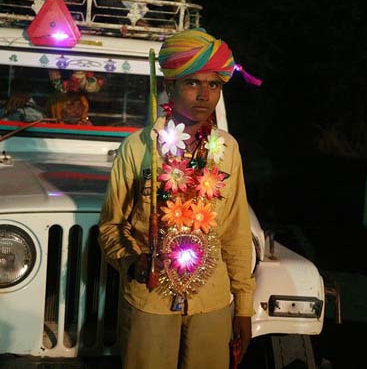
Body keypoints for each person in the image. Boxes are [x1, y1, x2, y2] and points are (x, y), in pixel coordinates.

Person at [97, 28, 255, 369]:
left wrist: (243, 307)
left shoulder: (228, 149)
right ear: (170, 86)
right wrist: (132, 261)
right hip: (150, 298)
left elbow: (236, 232)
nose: (204, 95)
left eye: (214, 85)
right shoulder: (138, 148)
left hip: (212, 302)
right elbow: (111, 227)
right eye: (192, 83)